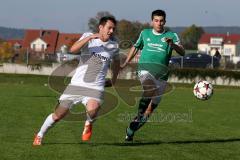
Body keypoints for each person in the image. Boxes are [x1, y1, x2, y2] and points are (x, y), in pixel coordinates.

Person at [33, 16, 120, 145]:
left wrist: (114, 79)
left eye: (113, 28)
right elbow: (72, 50)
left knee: (93, 108)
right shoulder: (88, 37)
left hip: (96, 86)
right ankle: (39, 135)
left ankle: (88, 124)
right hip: (77, 84)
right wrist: (90, 38)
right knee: (58, 115)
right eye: (109, 28)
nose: (111, 31)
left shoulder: (114, 45)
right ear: (101, 27)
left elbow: (116, 63)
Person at [120, 9, 185, 141]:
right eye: (156, 20)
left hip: (162, 76)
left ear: (165, 21)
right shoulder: (145, 33)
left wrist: (172, 44)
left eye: (161, 21)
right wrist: (126, 61)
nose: (159, 23)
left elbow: (182, 52)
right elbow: (136, 47)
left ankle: (131, 130)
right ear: (152, 22)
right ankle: (138, 114)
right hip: (145, 69)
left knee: (149, 111)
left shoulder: (172, 35)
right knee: (149, 88)